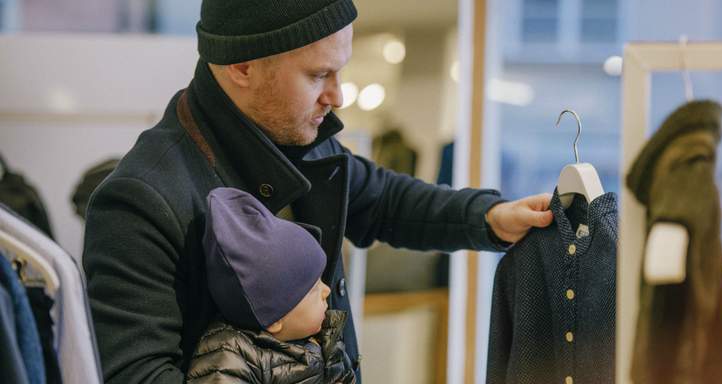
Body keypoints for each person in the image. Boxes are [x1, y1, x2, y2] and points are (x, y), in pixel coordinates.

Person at [82, 0, 553, 382]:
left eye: (339, 71)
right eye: (317, 75)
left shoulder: (300, 133)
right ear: (242, 67)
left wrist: (489, 217)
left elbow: (384, 200)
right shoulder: (139, 202)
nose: (338, 96)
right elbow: (138, 374)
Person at [186, 187, 355, 383]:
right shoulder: (230, 359)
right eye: (312, 290)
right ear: (275, 320)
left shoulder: (326, 339)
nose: (326, 290)